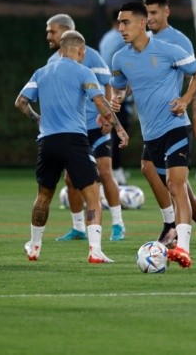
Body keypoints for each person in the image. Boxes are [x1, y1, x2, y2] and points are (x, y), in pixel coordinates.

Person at [110, 1, 196, 270]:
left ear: (141, 23)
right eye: (119, 22)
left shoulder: (168, 49)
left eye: (125, 22)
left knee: (176, 187)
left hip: (176, 127)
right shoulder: (119, 58)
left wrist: (186, 100)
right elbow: (120, 87)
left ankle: (183, 248)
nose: (120, 28)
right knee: (186, 196)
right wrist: (117, 98)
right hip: (151, 136)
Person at [15, 29, 128, 263]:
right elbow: (100, 102)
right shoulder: (83, 71)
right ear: (81, 50)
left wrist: (37, 119)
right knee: (93, 194)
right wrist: (118, 128)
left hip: (47, 142)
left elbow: (21, 102)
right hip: (74, 140)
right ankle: (95, 251)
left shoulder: (41, 72)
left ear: (60, 49)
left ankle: (34, 246)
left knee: (43, 195)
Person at [45, 14, 127, 242]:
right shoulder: (52, 62)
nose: (48, 36)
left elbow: (108, 84)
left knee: (105, 172)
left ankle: (118, 224)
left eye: (52, 31)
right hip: (73, 131)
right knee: (70, 180)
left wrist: (108, 117)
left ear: (66, 32)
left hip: (96, 126)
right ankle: (78, 228)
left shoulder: (90, 55)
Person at [141, 0, 196, 247]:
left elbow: (194, 76)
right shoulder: (144, 40)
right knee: (174, 186)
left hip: (173, 122)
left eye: (154, 13)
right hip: (154, 125)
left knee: (173, 184)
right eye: (146, 13)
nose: (149, 18)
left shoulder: (178, 41)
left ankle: (174, 228)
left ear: (166, 12)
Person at [98, 9, 129, 185]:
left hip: (106, 90)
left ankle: (111, 170)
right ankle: (115, 171)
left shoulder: (106, 38)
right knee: (118, 131)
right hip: (115, 92)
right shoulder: (120, 39)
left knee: (111, 131)